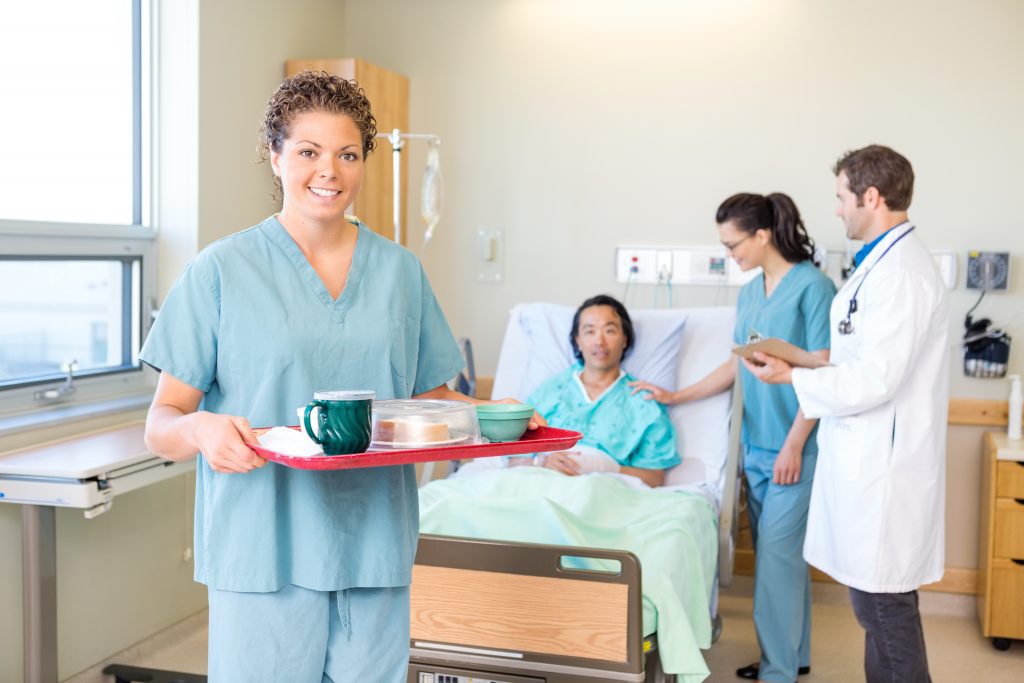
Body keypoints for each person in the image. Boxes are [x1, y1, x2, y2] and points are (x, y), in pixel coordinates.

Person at [139, 71, 525, 683]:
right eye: (308, 152)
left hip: (371, 540)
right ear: (275, 157)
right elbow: (162, 425)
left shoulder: (400, 272)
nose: (329, 171)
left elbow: (430, 402)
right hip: (264, 543)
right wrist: (205, 430)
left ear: (364, 161)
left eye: (347, 154)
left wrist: (494, 414)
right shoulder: (220, 270)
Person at [743, 145, 948, 683]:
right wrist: (801, 355)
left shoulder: (900, 273)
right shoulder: (879, 264)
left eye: (842, 197)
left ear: (871, 197)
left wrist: (794, 377)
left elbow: (878, 379)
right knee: (876, 611)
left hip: (884, 471)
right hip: (867, 461)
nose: (836, 209)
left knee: (884, 612)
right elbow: (859, 357)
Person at [630, 193, 836, 683]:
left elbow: (826, 369)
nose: (730, 254)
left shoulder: (814, 288)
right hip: (757, 444)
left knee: (776, 562)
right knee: (779, 558)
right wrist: (678, 396)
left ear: (762, 235)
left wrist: (792, 444)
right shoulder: (751, 291)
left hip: (797, 446)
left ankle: (778, 671)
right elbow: (736, 365)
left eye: (733, 243)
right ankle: (795, 653)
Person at [509, 295, 680, 487]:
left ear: (625, 339)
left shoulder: (644, 403)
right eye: (590, 331)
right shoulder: (549, 393)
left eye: (610, 330)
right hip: (543, 485)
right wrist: (541, 462)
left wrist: (608, 469)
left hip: (605, 492)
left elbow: (655, 478)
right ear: (578, 341)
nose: (599, 341)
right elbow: (513, 460)